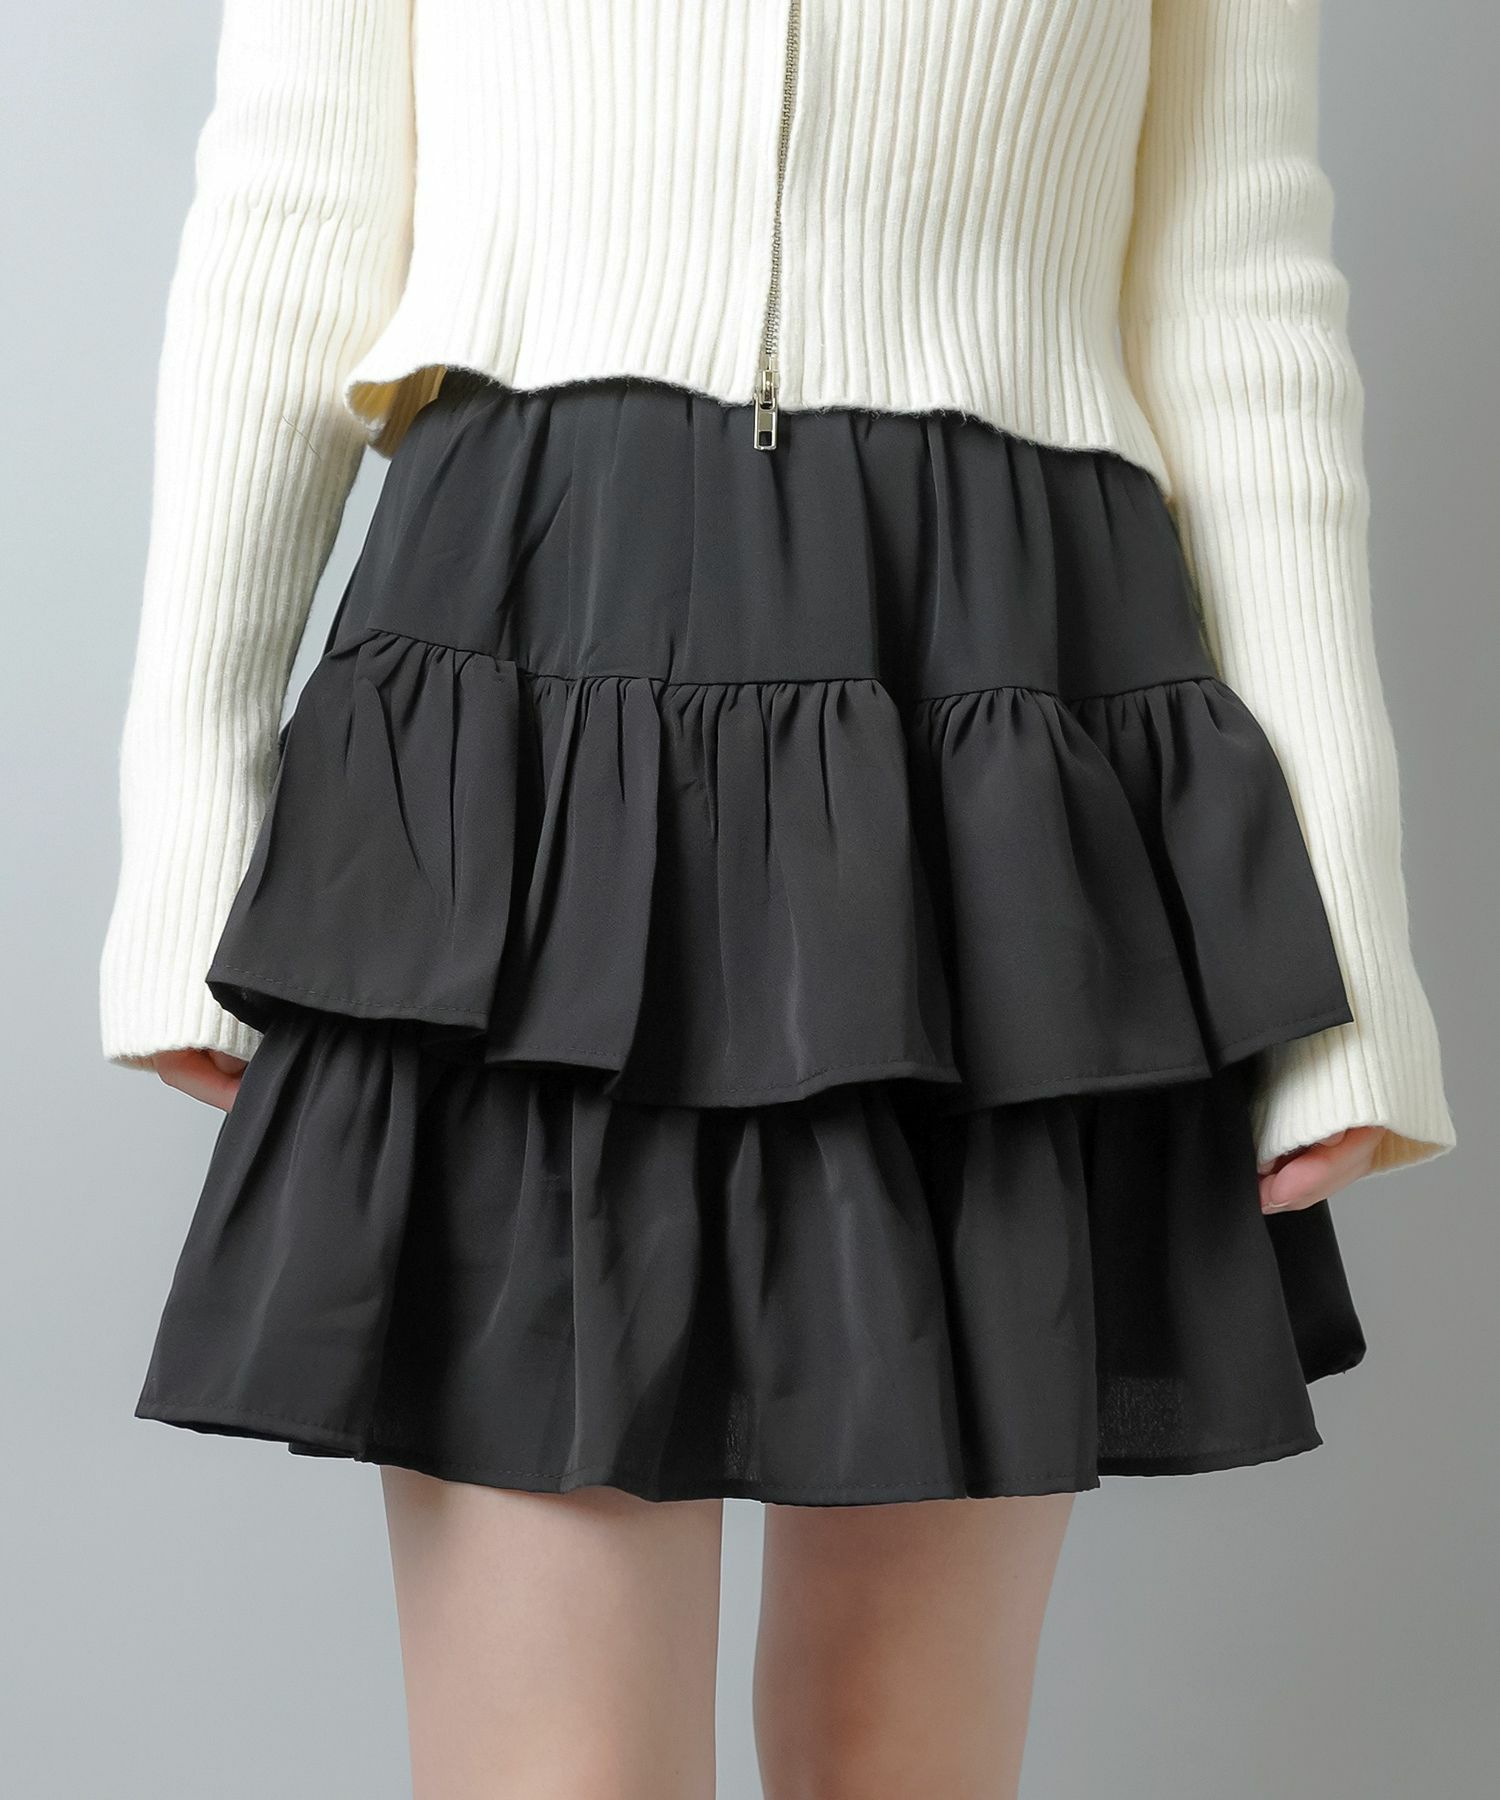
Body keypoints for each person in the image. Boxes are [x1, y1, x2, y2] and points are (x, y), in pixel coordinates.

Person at [99, 3, 1456, 1795]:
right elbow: (288, 225)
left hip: (999, 718)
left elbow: (1240, 292)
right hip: (538, 700)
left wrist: (1339, 940)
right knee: (555, 1772)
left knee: (906, 1762)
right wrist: (190, 817)